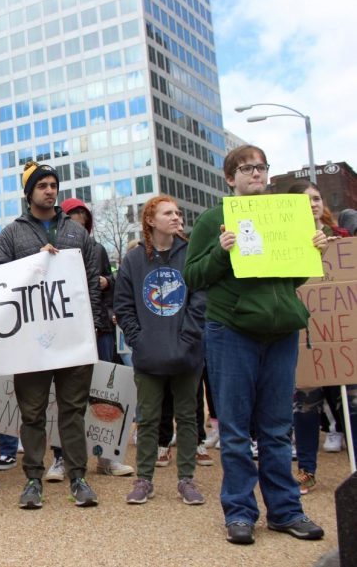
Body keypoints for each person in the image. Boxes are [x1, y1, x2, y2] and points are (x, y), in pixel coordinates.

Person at [183, 145, 325, 545]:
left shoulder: (286, 215)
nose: (256, 175)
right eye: (246, 169)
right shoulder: (215, 219)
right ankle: (240, 512)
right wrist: (221, 251)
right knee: (234, 429)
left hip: (279, 331)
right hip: (232, 331)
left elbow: (289, 280)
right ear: (230, 178)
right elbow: (193, 276)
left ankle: (285, 511)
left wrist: (312, 251)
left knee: (278, 428)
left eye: (261, 168)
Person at [0, 160, 101, 509]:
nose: (50, 190)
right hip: (31, 341)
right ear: (29, 194)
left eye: (53, 184)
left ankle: (78, 478)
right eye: (42, 185)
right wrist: (32, 264)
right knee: (33, 414)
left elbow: (92, 282)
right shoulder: (12, 233)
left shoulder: (75, 232)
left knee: (72, 411)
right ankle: (33, 480)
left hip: (72, 338)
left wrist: (92, 328)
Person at [114, 195, 207, 506]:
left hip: (187, 353)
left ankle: (186, 479)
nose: (176, 217)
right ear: (151, 221)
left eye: (178, 212)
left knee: (188, 417)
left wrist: (188, 338)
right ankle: (144, 479)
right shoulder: (134, 260)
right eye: (168, 213)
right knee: (149, 417)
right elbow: (123, 306)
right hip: (149, 355)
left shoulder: (191, 253)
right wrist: (139, 339)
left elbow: (200, 299)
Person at [287, 180, 354, 495]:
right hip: (307, 337)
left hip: (341, 336)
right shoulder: (286, 246)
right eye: (305, 199)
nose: (312, 203)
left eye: (316, 198)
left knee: (353, 403)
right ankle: (307, 471)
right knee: (306, 405)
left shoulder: (342, 240)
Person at [60, 198, 134, 478]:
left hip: (99, 328)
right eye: (72, 217)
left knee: (105, 391)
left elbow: (110, 281)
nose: (79, 222)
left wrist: (106, 281)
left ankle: (107, 456)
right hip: (68, 329)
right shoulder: (55, 250)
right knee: (66, 394)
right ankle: (63, 456)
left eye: (83, 218)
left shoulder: (98, 248)